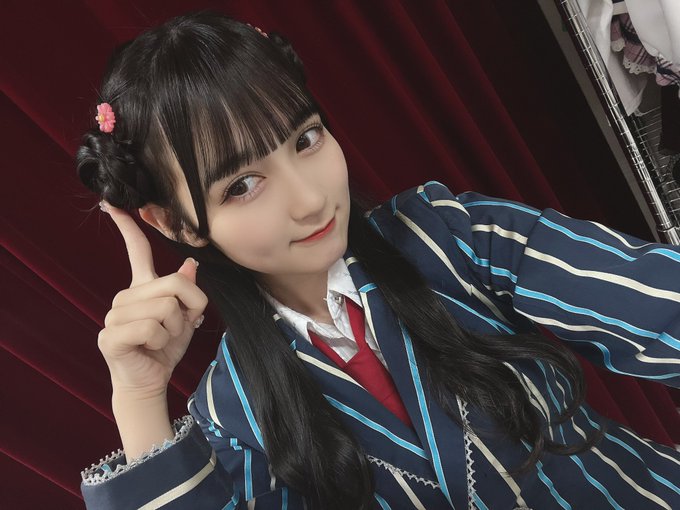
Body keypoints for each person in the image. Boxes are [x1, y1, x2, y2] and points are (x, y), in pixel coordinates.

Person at [75, 9, 680, 510]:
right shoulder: (233, 413)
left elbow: (658, 305)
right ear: (176, 223)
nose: (311, 199)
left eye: (306, 139)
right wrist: (139, 397)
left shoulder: (451, 236)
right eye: (242, 185)